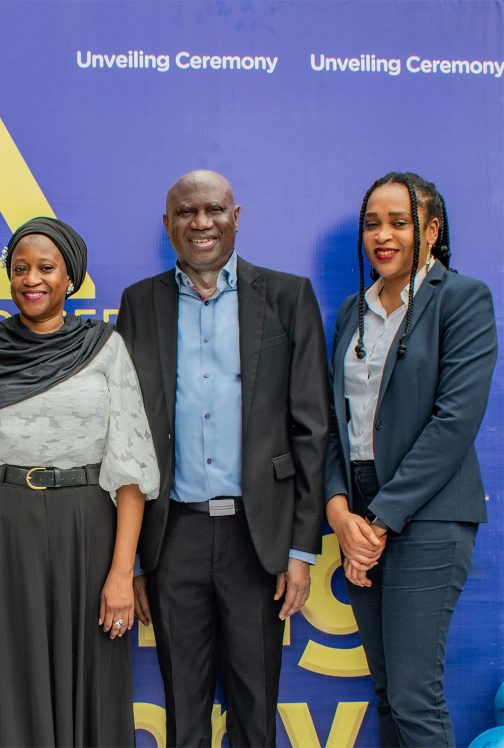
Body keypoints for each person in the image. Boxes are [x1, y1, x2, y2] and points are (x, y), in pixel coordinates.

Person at [0, 216, 160, 746]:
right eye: (20, 268)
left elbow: (131, 469)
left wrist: (121, 574)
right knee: (7, 685)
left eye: (46, 268)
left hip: (86, 537)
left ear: (70, 277)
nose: (32, 279)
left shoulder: (104, 348)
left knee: (86, 687)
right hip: (0, 539)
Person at [116, 170, 328, 747]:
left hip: (256, 540)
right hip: (172, 537)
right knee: (183, 709)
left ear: (238, 216)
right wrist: (133, 559)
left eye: (214, 210)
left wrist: (302, 549)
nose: (200, 223)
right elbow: (127, 433)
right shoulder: (140, 303)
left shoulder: (287, 297)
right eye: (186, 212)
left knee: (255, 709)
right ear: (167, 224)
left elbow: (312, 429)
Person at [324, 172, 497, 747]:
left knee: (414, 695)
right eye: (373, 223)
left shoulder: (463, 299)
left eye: (400, 222)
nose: (383, 235)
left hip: (428, 516)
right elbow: (334, 423)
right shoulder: (353, 310)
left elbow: (454, 423)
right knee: (386, 691)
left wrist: (379, 520)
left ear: (432, 231)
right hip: (362, 514)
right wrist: (341, 513)